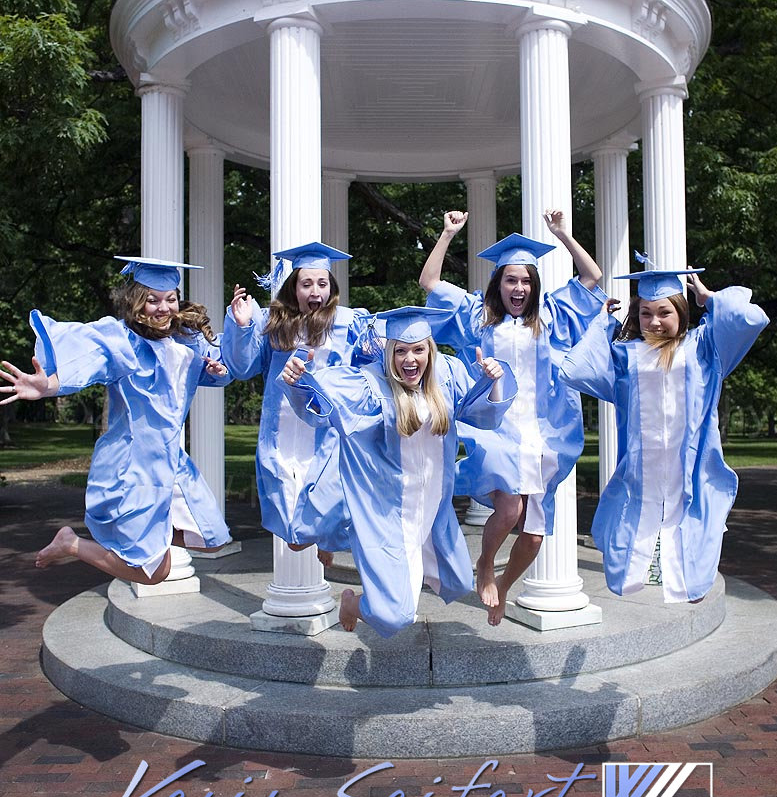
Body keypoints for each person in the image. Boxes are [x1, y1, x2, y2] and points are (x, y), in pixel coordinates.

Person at [280, 305, 517, 637]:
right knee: (396, 616)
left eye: (418, 349)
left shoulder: (446, 375)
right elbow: (321, 407)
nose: (410, 359)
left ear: (429, 350)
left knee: (459, 580)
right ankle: (355, 603)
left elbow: (484, 415)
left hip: (433, 507)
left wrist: (492, 380)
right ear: (389, 351)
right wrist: (297, 381)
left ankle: (383, 597)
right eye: (401, 350)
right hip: (388, 511)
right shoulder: (370, 385)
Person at [419, 210, 605, 625]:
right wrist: (448, 233)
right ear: (498, 283)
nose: (518, 287)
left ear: (533, 285)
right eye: (510, 279)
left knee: (535, 536)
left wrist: (563, 235)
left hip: (543, 435)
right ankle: (485, 562)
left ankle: (503, 586)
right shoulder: (476, 316)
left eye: (525, 280)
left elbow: (592, 277)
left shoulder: (553, 316)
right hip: (497, 428)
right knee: (507, 511)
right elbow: (429, 283)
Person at [0, 257, 232, 585]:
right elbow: (87, 363)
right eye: (152, 300)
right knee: (153, 573)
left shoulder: (184, 343)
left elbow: (213, 372)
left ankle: (149, 535)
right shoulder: (122, 343)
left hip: (172, 464)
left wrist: (215, 367)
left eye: (170, 299)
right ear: (136, 302)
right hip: (133, 466)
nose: (163, 308)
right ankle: (72, 544)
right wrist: (47, 385)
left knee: (212, 540)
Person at [560, 264, 769, 602]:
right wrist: (601, 324)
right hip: (640, 475)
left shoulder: (703, 347)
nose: (654, 321)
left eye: (663, 312)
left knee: (695, 554)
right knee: (628, 545)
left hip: (691, 471)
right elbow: (575, 370)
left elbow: (752, 319)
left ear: (681, 311)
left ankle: (690, 582)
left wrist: (709, 299)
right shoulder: (624, 356)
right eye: (645, 313)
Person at [222, 242, 370, 565]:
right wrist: (242, 324)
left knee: (328, 497)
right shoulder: (273, 323)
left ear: (331, 288)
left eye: (322, 283)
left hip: (326, 435)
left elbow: (371, 363)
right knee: (293, 530)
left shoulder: (348, 323)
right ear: (294, 288)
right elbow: (242, 366)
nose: (315, 291)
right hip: (283, 436)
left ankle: (325, 538)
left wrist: (381, 344)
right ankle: (318, 537)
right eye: (306, 284)